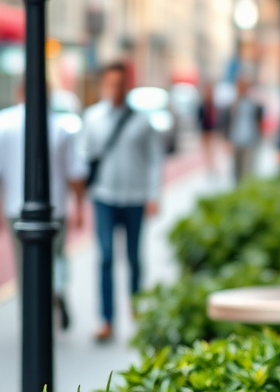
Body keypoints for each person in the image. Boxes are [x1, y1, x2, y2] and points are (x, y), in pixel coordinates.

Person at [81, 61, 162, 343]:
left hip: (135, 198)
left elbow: (154, 160)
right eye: (111, 83)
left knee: (133, 258)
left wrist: (154, 195)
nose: (115, 89)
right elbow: (85, 160)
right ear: (104, 85)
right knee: (104, 258)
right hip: (104, 197)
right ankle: (106, 319)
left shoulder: (142, 120)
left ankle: (137, 310)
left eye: (120, 83)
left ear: (127, 84)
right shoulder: (92, 118)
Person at [0, 83, 87, 329]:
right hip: (56, 208)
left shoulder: (3, 123)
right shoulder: (61, 127)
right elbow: (76, 173)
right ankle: (56, 289)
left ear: (19, 93)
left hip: (14, 209)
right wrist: (79, 206)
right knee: (56, 258)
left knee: (24, 265)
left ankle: (29, 316)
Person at [224, 77, 263, 185]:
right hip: (236, 140)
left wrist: (260, 138)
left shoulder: (254, 103)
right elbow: (227, 123)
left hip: (250, 140)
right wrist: (227, 141)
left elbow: (259, 121)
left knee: (248, 171)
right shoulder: (233, 104)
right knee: (236, 171)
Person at [197, 82, 220, 173]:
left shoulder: (214, 104)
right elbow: (199, 117)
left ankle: (213, 165)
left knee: (212, 149)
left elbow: (217, 119)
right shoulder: (203, 103)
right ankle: (209, 166)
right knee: (206, 149)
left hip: (212, 129)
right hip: (204, 129)